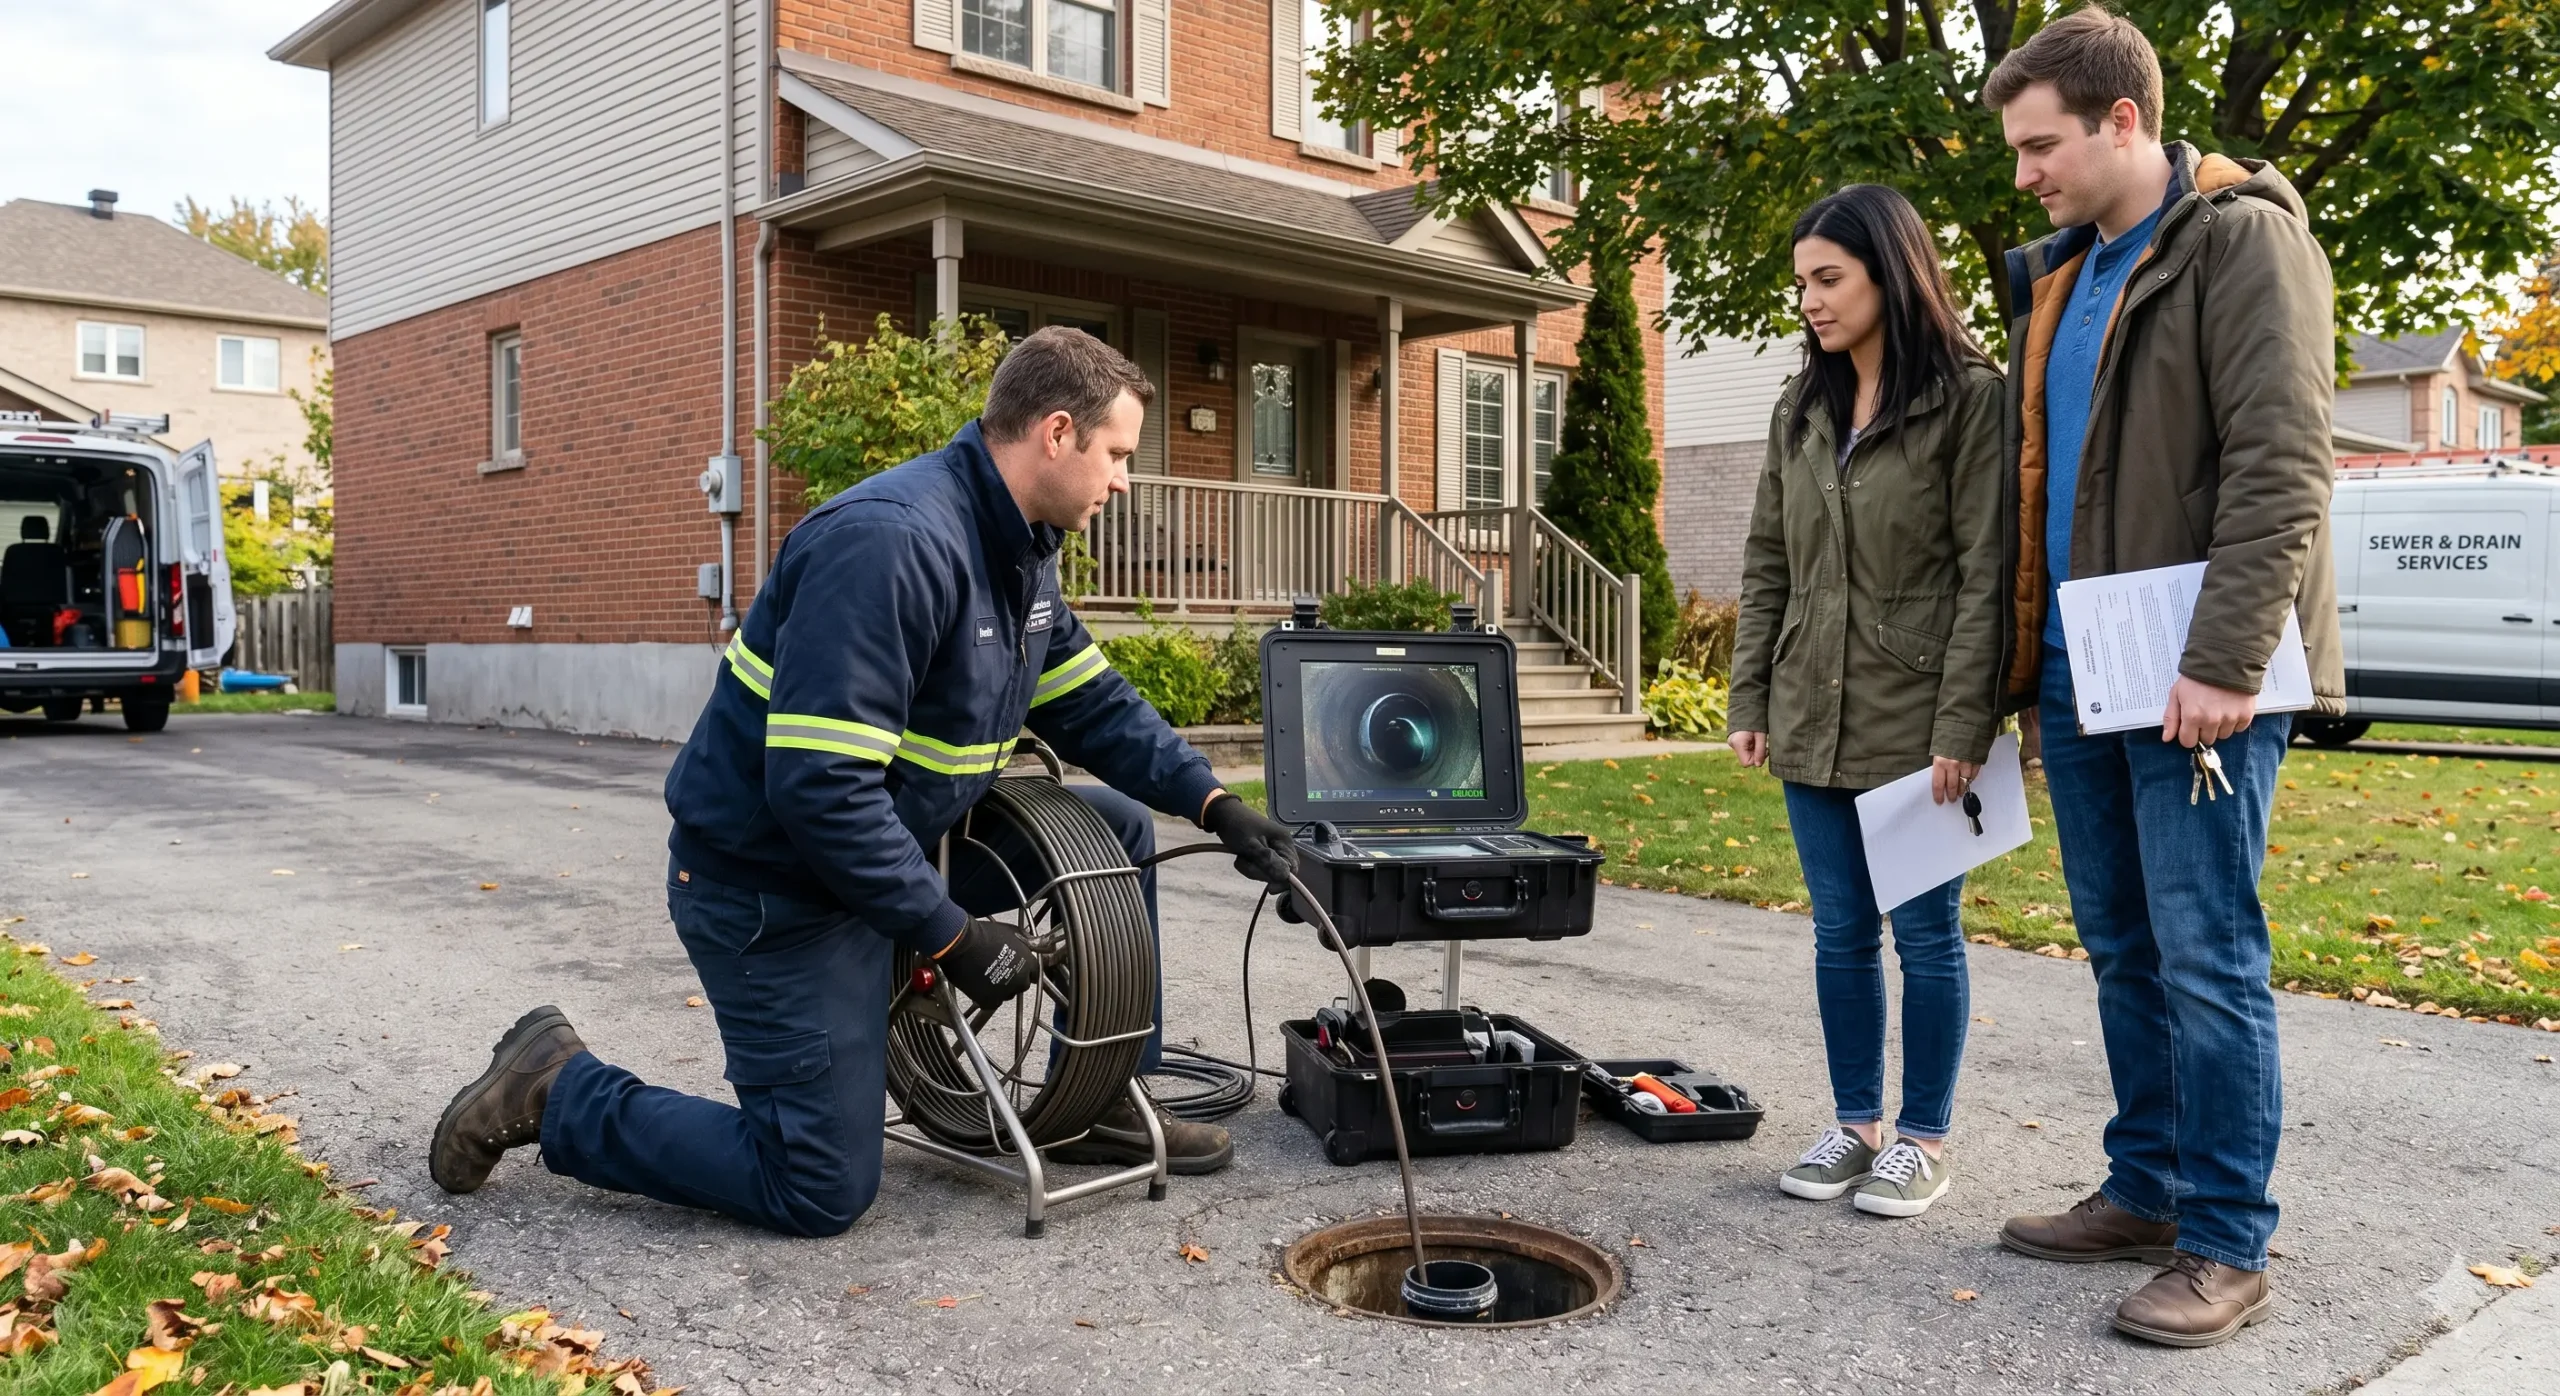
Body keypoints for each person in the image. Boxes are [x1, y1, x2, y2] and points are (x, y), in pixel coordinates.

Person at [426, 327, 1302, 1236]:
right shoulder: (892, 546)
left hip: (889, 852)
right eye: (1116, 454)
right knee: (819, 1185)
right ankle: (559, 1086)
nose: (1123, 478)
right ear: (1055, 434)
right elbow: (821, 791)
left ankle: (1092, 1097)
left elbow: (1094, 705)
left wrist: (1215, 802)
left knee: (1111, 824)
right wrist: (950, 935)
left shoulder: (1019, 552)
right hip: (775, 890)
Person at [1981, 5, 2340, 1347]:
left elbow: (2281, 464)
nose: (2026, 175)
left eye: (2042, 146)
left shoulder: (2245, 243)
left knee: (2207, 954)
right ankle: (2144, 1186)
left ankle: (2228, 1239)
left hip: (2201, 679)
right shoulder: (2070, 272)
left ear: (2123, 119)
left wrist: (2225, 661)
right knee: (2124, 946)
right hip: (2088, 673)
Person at [1727, 183, 2006, 1221]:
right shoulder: (1798, 409)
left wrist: (1962, 722)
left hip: (1917, 717)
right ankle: (1858, 1125)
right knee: (1838, 932)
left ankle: (1922, 1139)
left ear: (1890, 273)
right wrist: (1750, 689)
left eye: (1827, 278)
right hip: (1809, 706)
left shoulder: (1970, 398)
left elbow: (1987, 572)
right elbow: (1767, 561)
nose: (1809, 299)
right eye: (1801, 281)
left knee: (1924, 935)